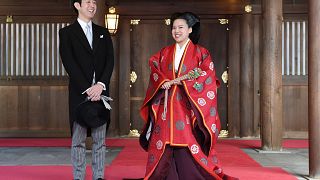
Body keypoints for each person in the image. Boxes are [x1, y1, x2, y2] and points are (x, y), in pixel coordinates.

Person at [139, 12, 238, 180]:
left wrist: (186, 84)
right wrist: (162, 81)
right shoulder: (164, 52)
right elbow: (154, 66)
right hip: (167, 102)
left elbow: (208, 76)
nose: (176, 31)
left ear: (190, 30)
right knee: (164, 138)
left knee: (185, 136)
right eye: (174, 28)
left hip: (188, 105)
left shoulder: (201, 53)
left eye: (181, 27)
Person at [59, 0, 114, 179]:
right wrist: (89, 89)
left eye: (94, 2)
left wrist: (100, 85)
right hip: (79, 95)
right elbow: (69, 63)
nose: (92, 5)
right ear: (77, 5)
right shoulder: (66, 33)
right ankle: (79, 177)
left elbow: (109, 62)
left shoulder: (103, 33)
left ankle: (99, 176)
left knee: (100, 141)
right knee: (78, 141)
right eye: (88, 1)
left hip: (101, 94)